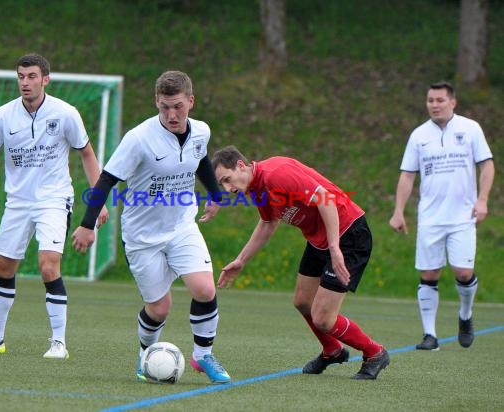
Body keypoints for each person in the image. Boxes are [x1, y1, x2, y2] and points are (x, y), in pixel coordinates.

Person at [71, 70, 231, 384]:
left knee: (205, 288)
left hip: (182, 225)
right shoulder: (139, 139)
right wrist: (87, 225)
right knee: (159, 308)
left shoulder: (201, 131)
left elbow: (199, 158)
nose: (172, 114)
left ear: (191, 102)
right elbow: (107, 179)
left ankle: (203, 356)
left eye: (178, 107)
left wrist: (215, 195)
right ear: (156, 102)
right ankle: (146, 354)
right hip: (143, 236)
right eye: (164, 107)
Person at [0, 53, 109, 359]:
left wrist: (98, 198)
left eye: (31, 76)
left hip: (54, 200)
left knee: (48, 264)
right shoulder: (2, 115)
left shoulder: (65, 113)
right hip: (17, 202)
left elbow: (88, 155)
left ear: (45, 79)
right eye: (21, 76)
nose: (25, 82)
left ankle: (58, 344)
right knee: (2, 267)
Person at [212, 145, 390, 380]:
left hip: (347, 233)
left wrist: (335, 247)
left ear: (241, 166)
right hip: (319, 240)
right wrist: (241, 260)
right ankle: (332, 350)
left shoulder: (277, 173)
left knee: (323, 319)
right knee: (302, 301)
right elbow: (268, 223)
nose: (228, 188)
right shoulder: (254, 188)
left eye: (227, 179)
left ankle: (375, 353)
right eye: (222, 184)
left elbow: (325, 200)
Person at [389, 81, 494, 351]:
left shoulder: (470, 129)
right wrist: (398, 211)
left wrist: (482, 200)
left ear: (452, 102)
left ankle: (466, 315)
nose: (434, 105)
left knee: (463, 271)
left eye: (439, 100)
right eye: (430, 100)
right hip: (430, 218)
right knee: (429, 274)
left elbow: (487, 165)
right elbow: (407, 174)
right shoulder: (419, 135)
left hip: (462, 216)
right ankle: (430, 336)